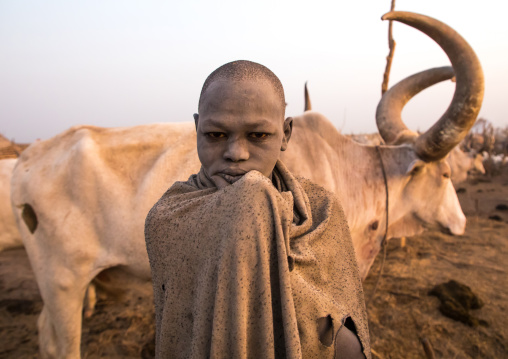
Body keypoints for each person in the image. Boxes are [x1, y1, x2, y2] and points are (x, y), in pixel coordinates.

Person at [145, 60, 370, 358]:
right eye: (216, 135)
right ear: (198, 128)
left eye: (258, 135)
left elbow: (347, 332)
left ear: (286, 134)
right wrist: (253, 200)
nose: (235, 154)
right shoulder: (169, 217)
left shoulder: (321, 208)